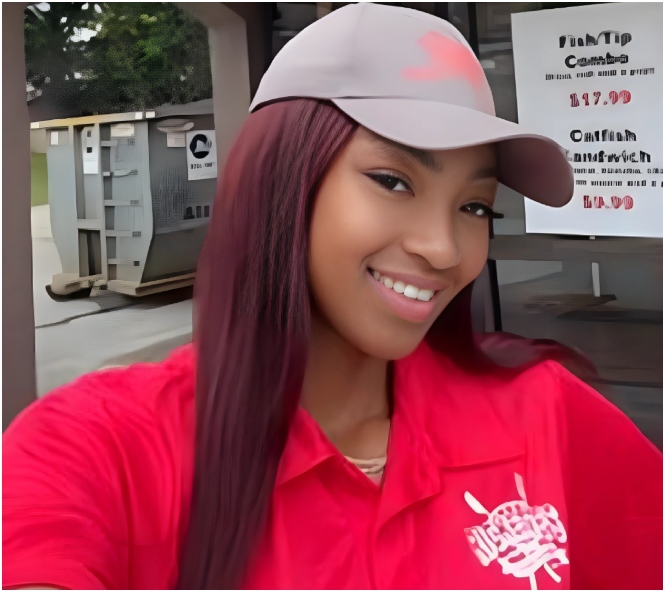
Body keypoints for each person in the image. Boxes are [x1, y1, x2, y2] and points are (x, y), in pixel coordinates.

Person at [3, 4, 662, 590]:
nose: (443, 248)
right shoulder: (100, 450)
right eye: (393, 181)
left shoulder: (545, 411)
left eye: (474, 206)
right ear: (280, 182)